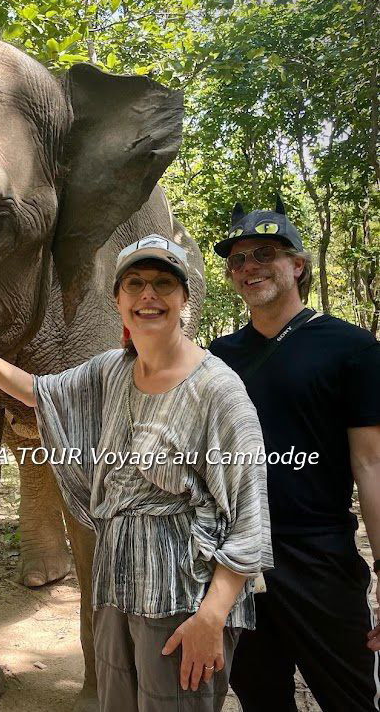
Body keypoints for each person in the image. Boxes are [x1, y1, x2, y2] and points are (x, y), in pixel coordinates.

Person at [0, 234, 273, 711]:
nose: (148, 295)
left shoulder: (219, 391)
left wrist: (211, 619)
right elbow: (37, 391)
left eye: (163, 283)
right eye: (134, 284)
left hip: (183, 596)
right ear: (117, 300)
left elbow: (249, 519)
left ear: (184, 298)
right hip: (116, 584)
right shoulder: (111, 370)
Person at [209, 198, 380, 711]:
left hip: (319, 557)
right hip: (238, 559)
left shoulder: (350, 347)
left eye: (264, 253)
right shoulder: (217, 358)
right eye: (238, 259)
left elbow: (370, 466)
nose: (248, 267)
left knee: (349, 699)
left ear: (298, 265)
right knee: (261, 699)